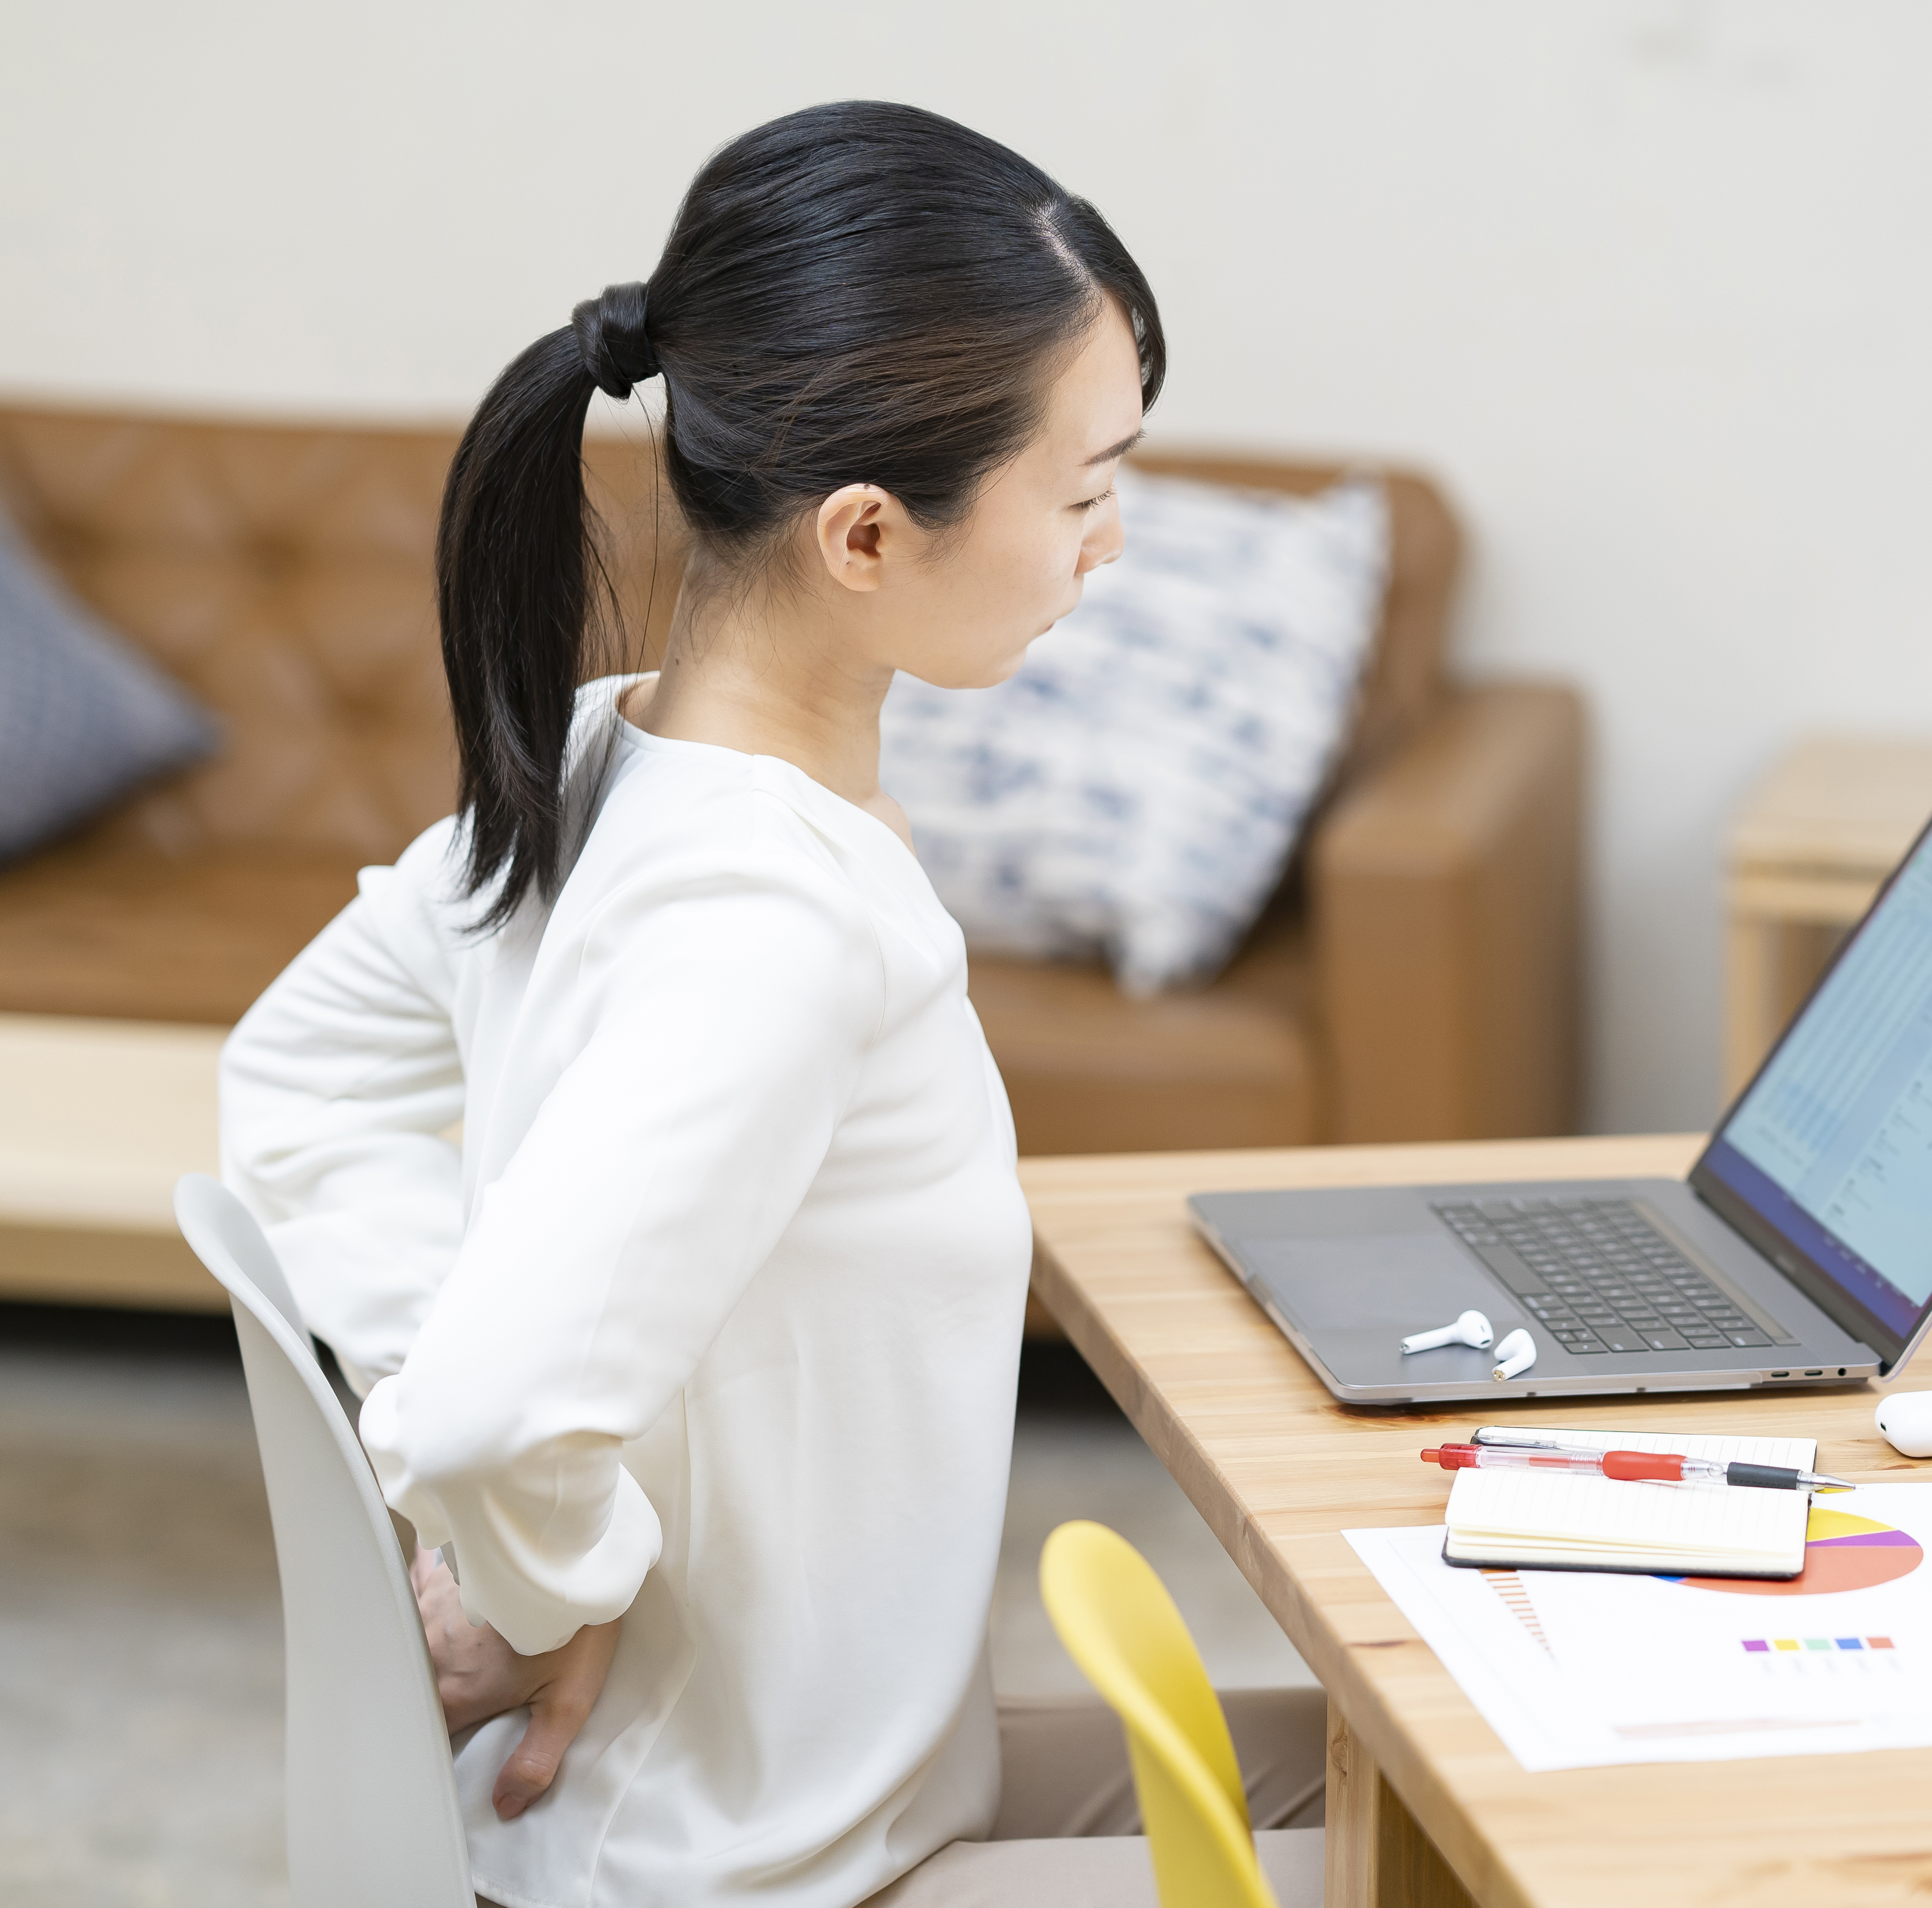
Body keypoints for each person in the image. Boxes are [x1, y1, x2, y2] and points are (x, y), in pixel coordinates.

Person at [219, 102, 1321, 1908]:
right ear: (869, 537)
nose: (1109, 545)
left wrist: (500, 1489)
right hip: (754, 1868)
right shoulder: (771, 928)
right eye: (1088, 489)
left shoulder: (610, 757)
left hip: (796, 1794)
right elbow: (501, 1411)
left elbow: (300, 1080)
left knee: (1431, 1780)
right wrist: (538, 1570)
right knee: (1483, 1842)